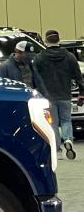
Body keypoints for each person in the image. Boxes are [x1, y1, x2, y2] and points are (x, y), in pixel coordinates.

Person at [32, 30, 83, 159]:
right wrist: (82, 92)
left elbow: (35, 77)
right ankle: (68, 140)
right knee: (66, 120)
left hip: (47, 96)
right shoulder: (69, 56)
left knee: (53, 123)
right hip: (65, 94)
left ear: (45, 41)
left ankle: (57, 149)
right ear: (59, 39)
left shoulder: (39, 57)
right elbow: (78, 76)